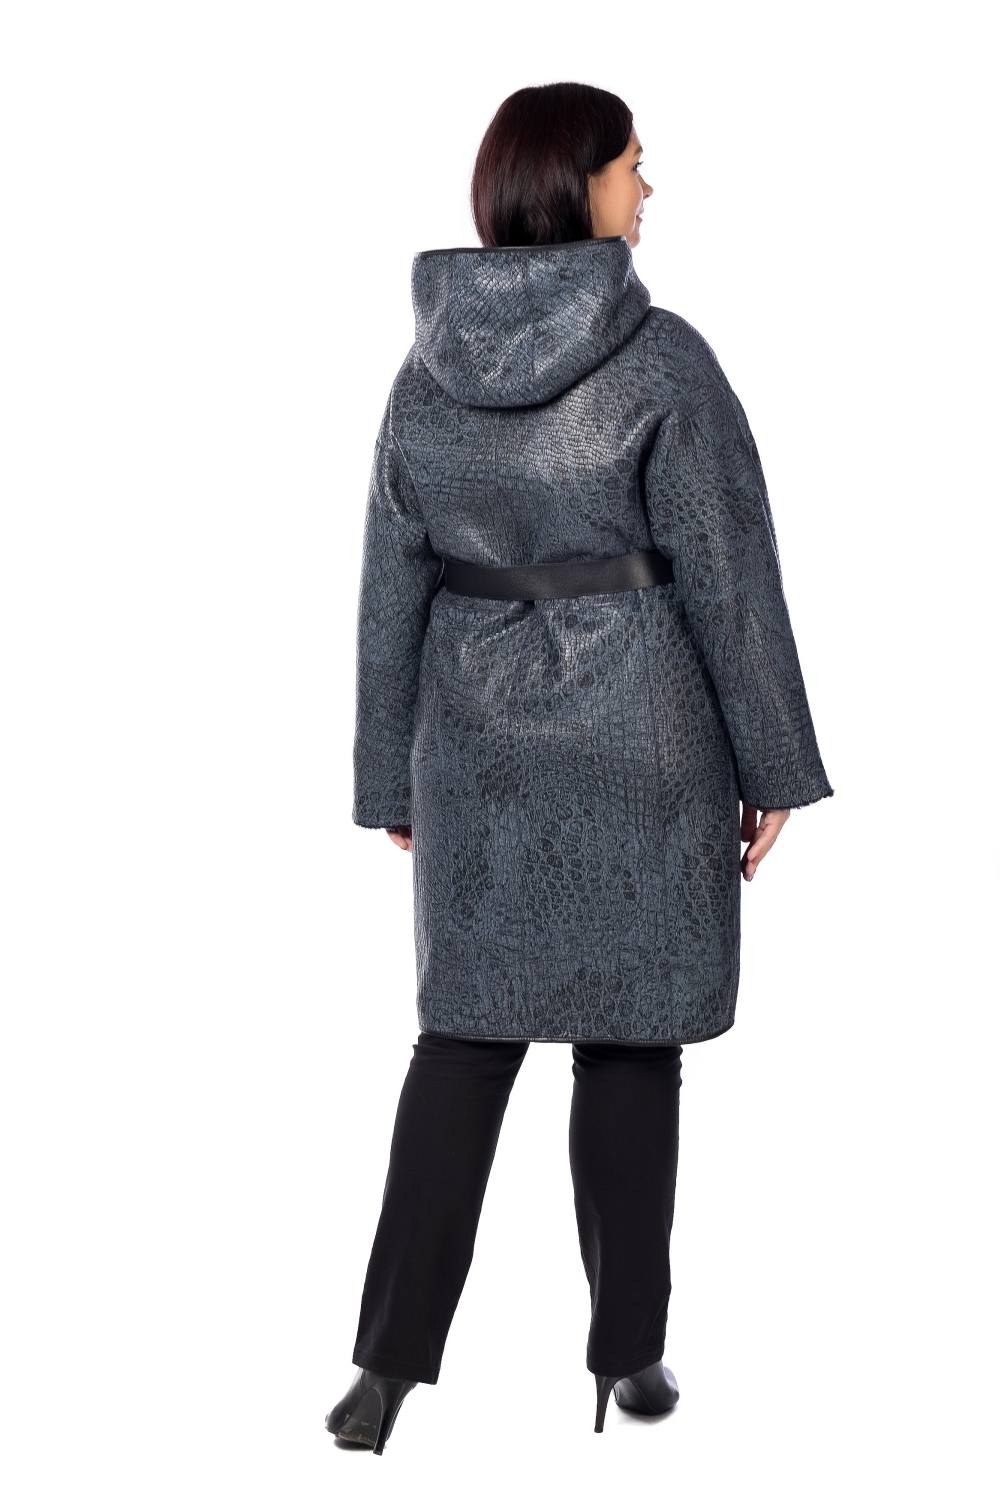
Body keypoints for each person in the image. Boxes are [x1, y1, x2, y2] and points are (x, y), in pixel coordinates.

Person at [325, 81, 834, 1455]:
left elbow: (389, 587)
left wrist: (388, 777)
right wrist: (775, 763)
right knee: (629, 1042)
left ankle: (383, 1370)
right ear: (579, 184)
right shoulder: (661, 360)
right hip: (644, 731)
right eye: (633, 167)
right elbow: (729, 574)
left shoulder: (425, 370)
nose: (647, 192)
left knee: (462, 1042)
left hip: (473, 738)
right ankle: (629, 1359)